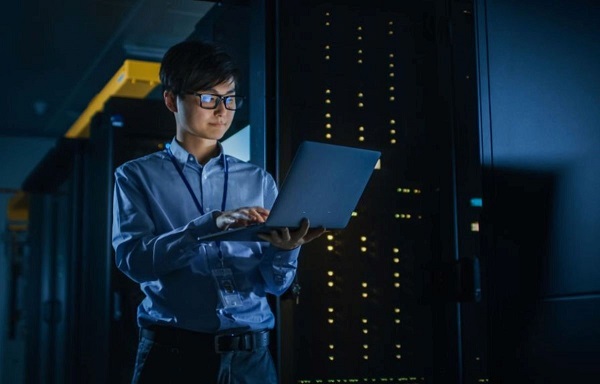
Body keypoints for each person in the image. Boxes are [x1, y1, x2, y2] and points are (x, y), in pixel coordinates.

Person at [111, 39, 326, 384]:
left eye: (230, 99)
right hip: (174, 356)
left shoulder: (257, 179)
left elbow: (274, 284)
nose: (222, 110)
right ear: (171, 100)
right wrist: (204, 228)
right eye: (208, 98)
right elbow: (134, 263)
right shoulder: (136, 176)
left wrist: (286, 251)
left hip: (251, 358)